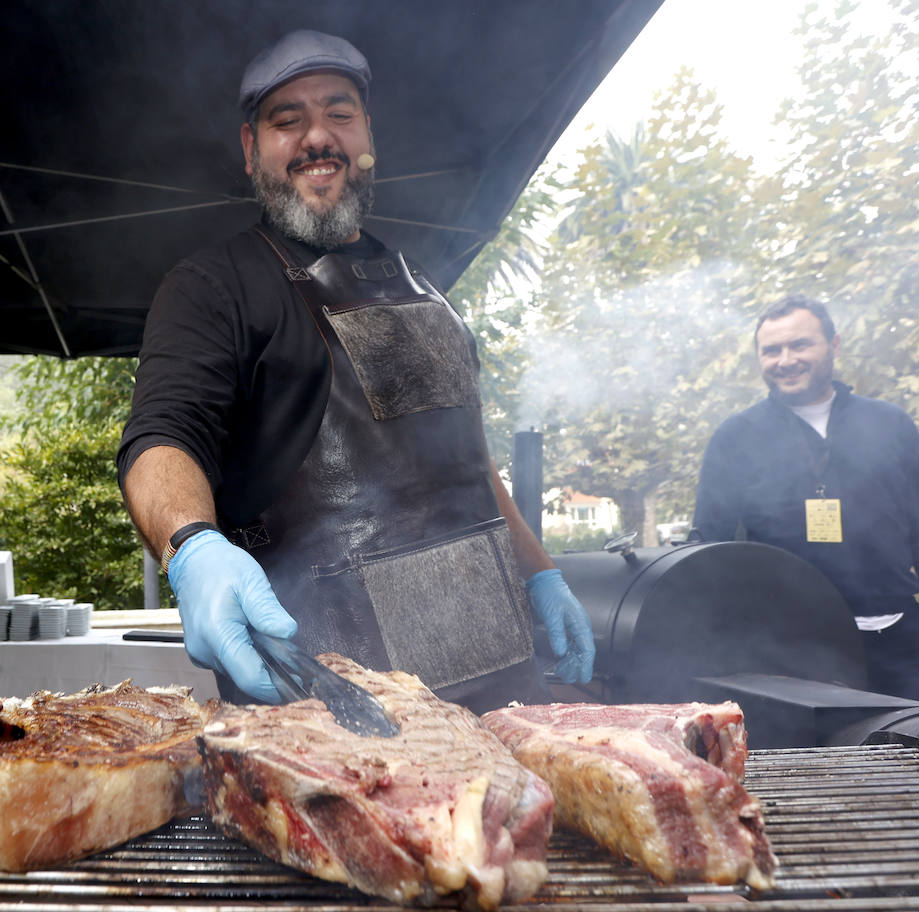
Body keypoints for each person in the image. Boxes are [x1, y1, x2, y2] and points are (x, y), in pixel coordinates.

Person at [117, 31, 594, 713]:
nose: (318, 137)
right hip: (337, 703)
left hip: (500, 686)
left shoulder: (423, 286)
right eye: (288, 120)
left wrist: (539, 571)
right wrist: (191, 546)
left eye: (339, 113)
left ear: (368, 134)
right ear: (252, 149)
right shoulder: (211, 287)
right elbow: (161, 438)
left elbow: (472, 463)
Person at [693, 295, 919, 701]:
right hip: (793, 653)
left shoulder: (890, 423)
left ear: (834, 345)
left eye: (800, 345)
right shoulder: (735, 437)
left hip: (905, 642)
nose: (785, 359)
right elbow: (708, 550)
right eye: (771, 350)